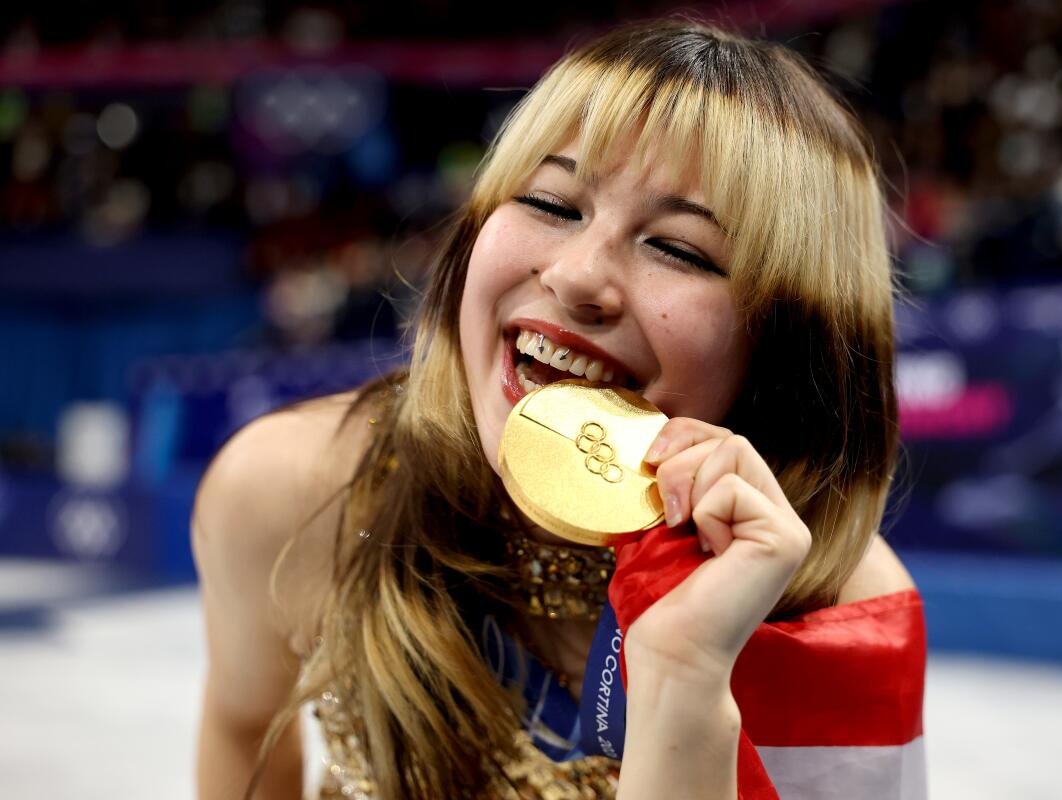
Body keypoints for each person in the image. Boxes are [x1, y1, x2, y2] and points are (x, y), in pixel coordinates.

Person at [192, 19, 923, 800]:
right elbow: (241, 728)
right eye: (550, 202)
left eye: (678, 248)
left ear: (791, 349)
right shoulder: (293, 489)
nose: (576, 276)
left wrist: (684, 681)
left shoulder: (845, 618)